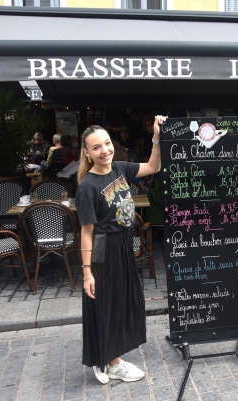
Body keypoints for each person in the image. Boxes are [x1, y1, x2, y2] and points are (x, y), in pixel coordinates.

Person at [75, 116, 166, 384]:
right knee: (109, 304)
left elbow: (153, 166)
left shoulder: (120, 169)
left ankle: (109, 356)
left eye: (107, 143)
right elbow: (87, 232)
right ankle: (113, 363)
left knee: (125, 303)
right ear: (87, 153)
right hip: (104, 251)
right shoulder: (87, 187)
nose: (104, 150)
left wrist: (157, 137)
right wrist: (87, 273)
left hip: (124, 246)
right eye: (96, 147)